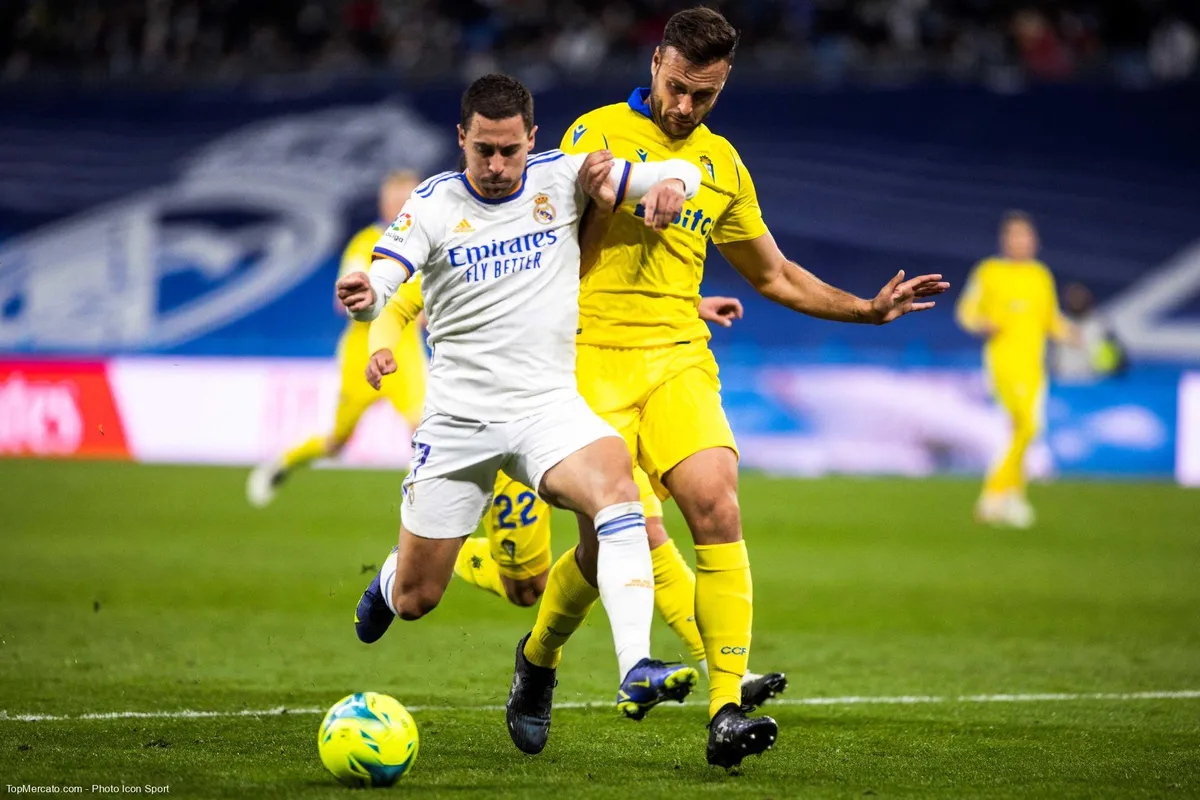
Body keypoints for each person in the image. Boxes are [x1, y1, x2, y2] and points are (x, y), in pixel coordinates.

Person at [534, 7, 948, 769]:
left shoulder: (723, 165)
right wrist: (616, 195)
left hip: (677, 358)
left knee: (717, 500)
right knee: (605, 543)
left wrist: (865, 309)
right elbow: (553, 250)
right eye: (678, 87)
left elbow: (775, 273)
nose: (686, 107)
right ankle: (538, 659)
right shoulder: (592, 134)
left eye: (706, 96)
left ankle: (726, 707)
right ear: (656, 61)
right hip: (588, 353)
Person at [336, 74, 706, 754]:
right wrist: (366, 296)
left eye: (510, 150)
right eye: (484, 151)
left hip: (547, 410)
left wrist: (672, 185)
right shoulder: (434, 204)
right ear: (461, 140)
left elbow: (681, 167)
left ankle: (635, 668)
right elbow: (386, 274)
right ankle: (390, 583)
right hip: (459, 424)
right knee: (422, 597)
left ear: (531, 139)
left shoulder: (562, 177)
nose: (498, 166)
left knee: (617, 490)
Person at [365, 273, 789, 708]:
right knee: (524, 587)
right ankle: (426, 561)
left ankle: (717, 673)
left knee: (641, 528)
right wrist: (379, 342)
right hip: (502, 417)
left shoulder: (550, 215)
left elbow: (603, 271)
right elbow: (403, 298)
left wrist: (683, 303)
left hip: (583, 410)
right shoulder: (464, 227)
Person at [245, 171, 427, 507]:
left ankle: (420, 505)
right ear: (383, 204)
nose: (402, 207)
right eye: (396, 200)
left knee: (423, 429)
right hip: (362, 352)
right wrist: (363, 299)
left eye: (408, 200)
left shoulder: (428, 240)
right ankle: (280, 464)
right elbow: (343, 298)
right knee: (337, 441)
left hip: (405, 349)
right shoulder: (365, 243)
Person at [957, 211, 1074, 528]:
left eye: (1026, 236)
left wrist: (1072, 334)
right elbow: (966, 311)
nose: (1021, 242)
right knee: (1027, 426)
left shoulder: (1040, 276)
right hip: (1003, 363)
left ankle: (1012, 498)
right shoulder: (989, 272)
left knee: (1023, 432)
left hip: (1035, 366)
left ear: (1034, 240)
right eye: (1015, 236)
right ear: (1004, 240)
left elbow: (1050, 320)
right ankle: (993, 495)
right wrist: (982, 323)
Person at [1051, 281, 1127, 384]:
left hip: (1091, 383)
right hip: (1062, 382)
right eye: (1073, 298)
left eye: (1079, 298)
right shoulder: (1057, 323)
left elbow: (1119, 362)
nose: (1077, 301)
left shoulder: (1100, 325)